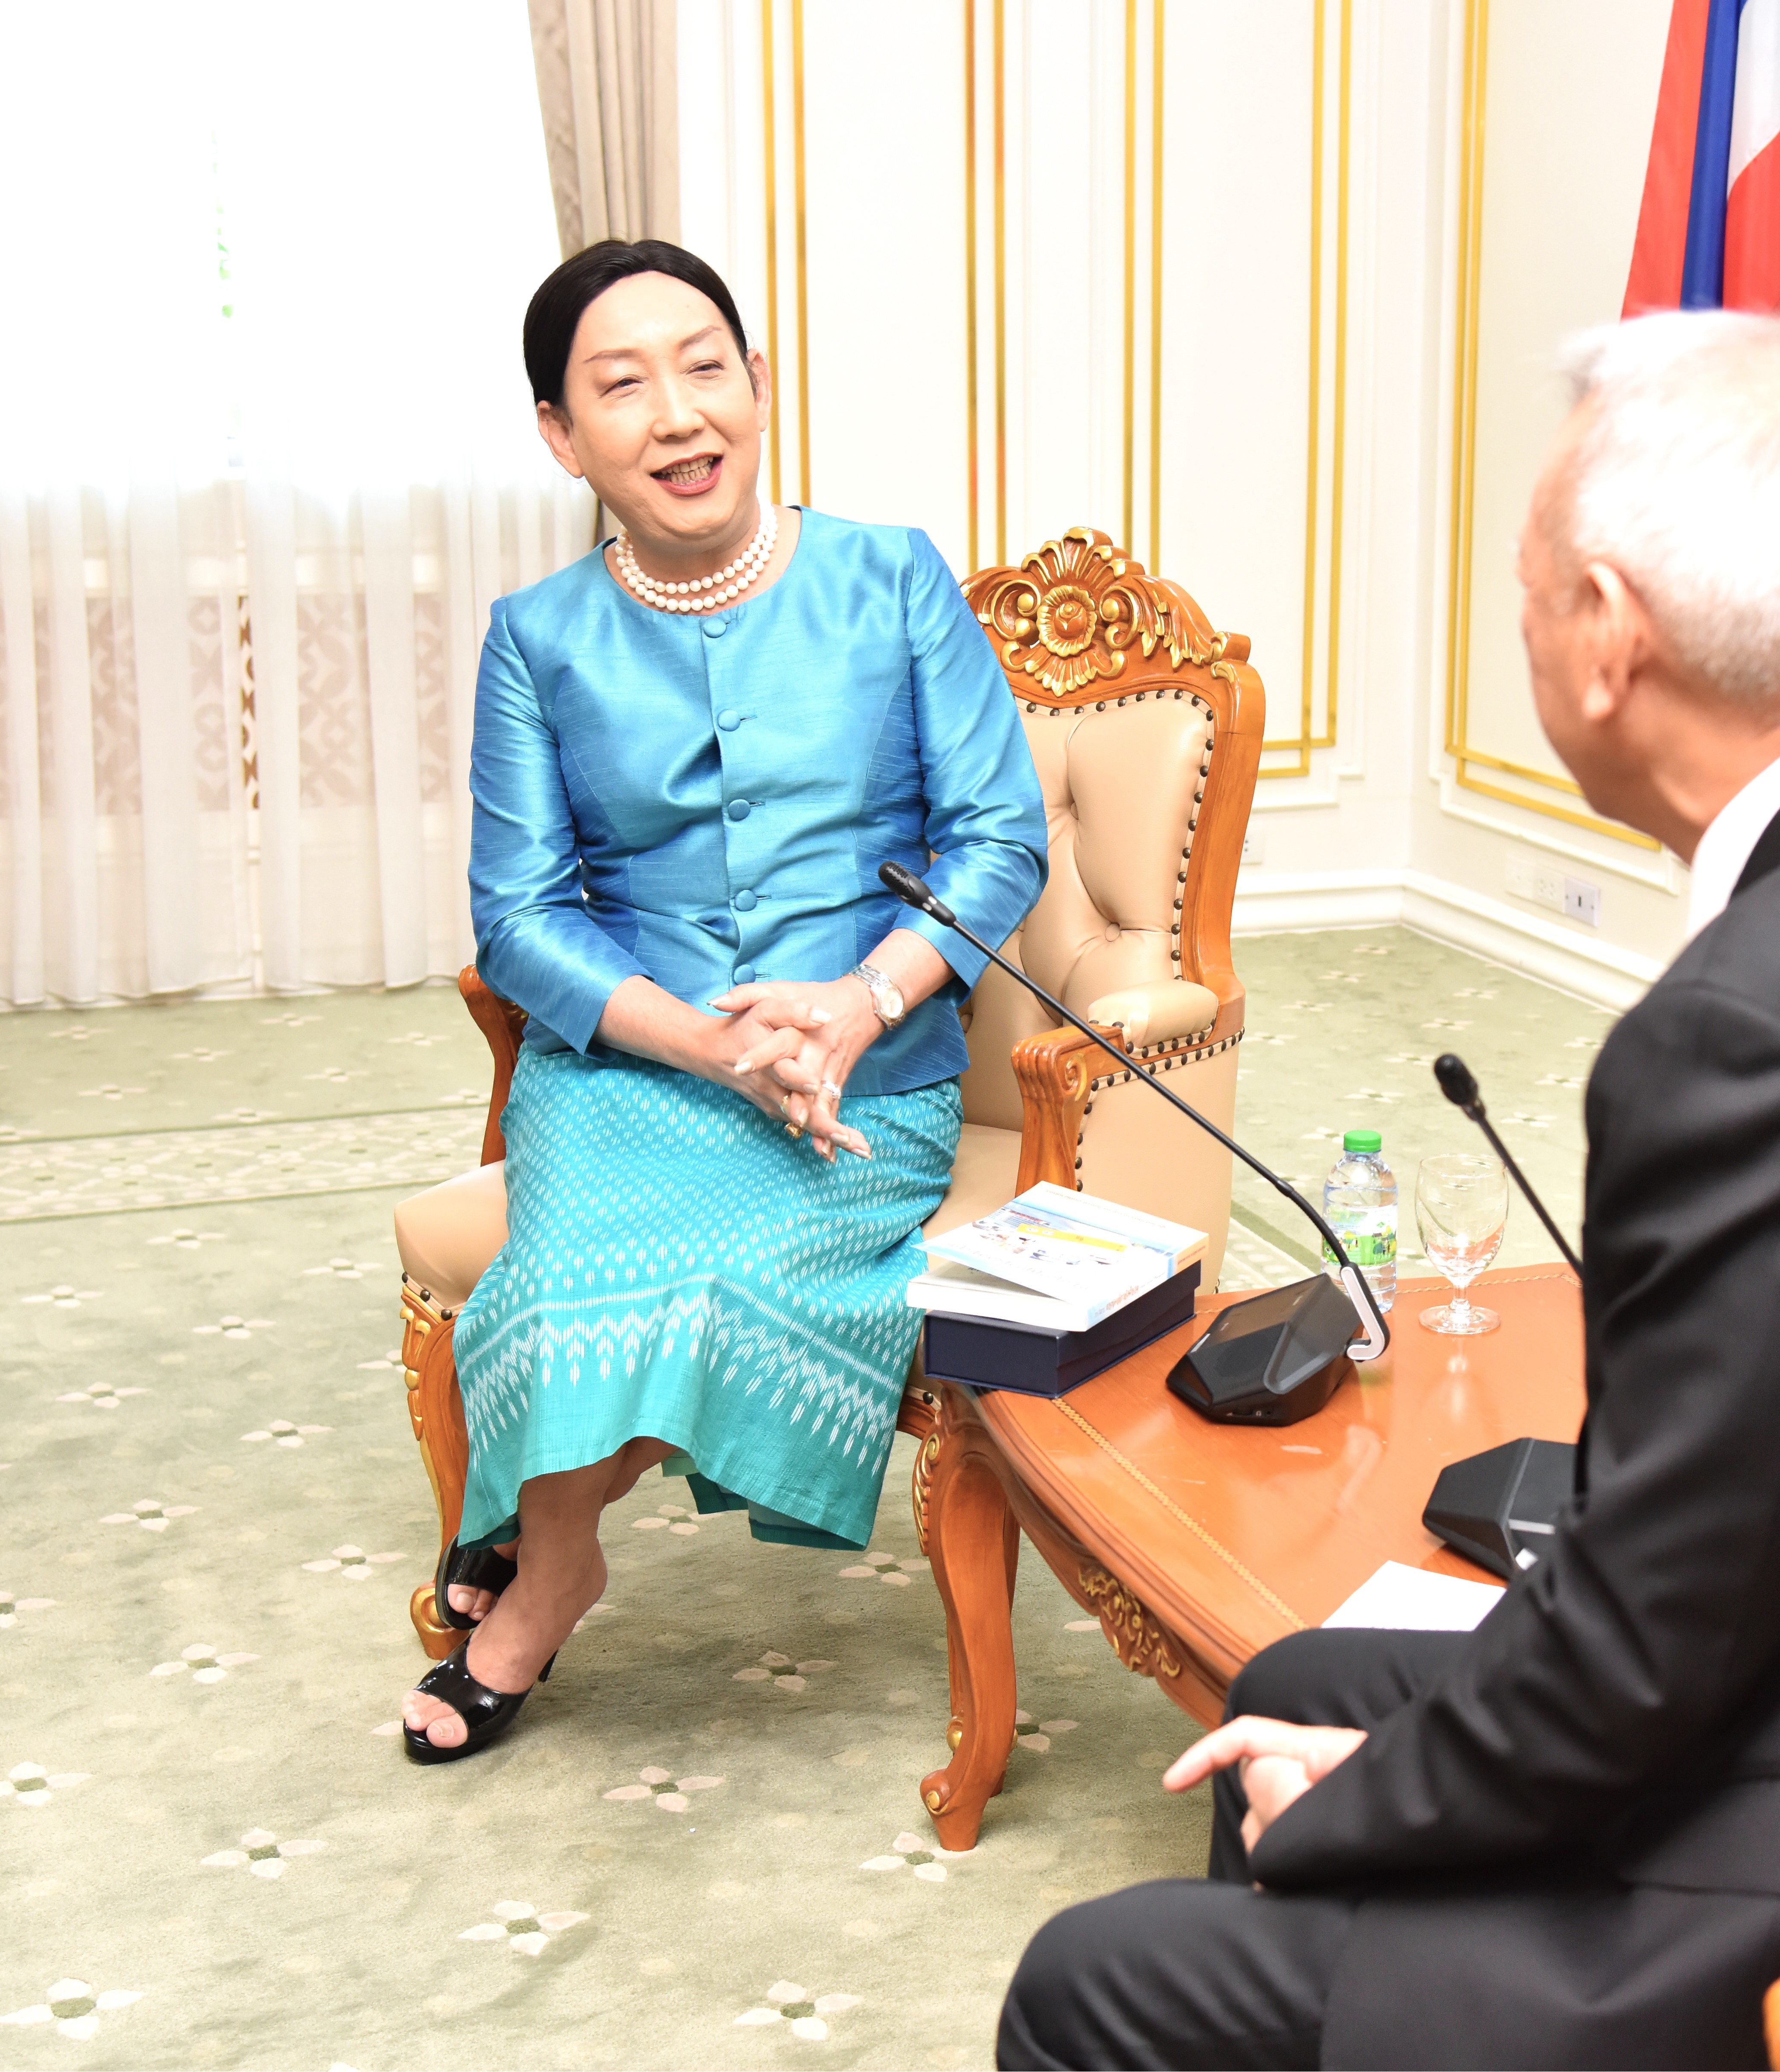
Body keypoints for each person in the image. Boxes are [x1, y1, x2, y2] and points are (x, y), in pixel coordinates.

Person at [997, 313, 1780, 2064]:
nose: (1525, 625)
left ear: (1607, 632)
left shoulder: (1751, 1030)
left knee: (1096, 1984)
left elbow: (1651, 1645)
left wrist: (1358, 1809)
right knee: (1302, 1681)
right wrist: (1377, 1766)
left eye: (1528, 591)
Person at [401, 240, 1049, 1762]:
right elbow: (519, 918)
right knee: (562, 1284)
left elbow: (999, 838)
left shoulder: (891, 576)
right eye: (622, 386)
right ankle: (563, 1557)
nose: (679, 414)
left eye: (706, 368)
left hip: (861, 1074)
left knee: (716, 1281)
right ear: (562, 436)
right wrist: (707, 1043)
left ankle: (538, 1556)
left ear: (759, 384)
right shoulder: (536, 637)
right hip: (631, 1069)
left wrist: (858, 1003)